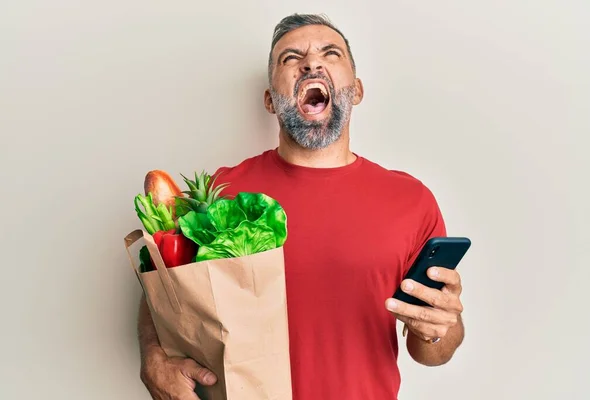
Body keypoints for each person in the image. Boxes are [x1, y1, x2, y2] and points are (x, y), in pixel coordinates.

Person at [137, 13, 465, 400]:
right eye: (290, 58)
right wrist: (153, 357)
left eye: (331, 53)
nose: (311, 62)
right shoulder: (219, 193)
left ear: (356, 90)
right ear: (270, 100)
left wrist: (441, 327)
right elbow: (162, 297)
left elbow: (430, 352)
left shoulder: (412, 201)